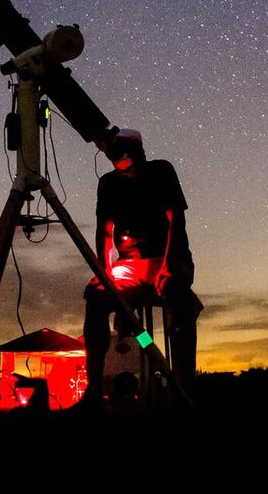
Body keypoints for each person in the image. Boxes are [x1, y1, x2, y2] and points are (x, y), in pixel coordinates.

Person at [80, 128, 201, 405]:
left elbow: (176, 223)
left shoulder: (162, 171)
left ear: (139, 152)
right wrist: (103, 271)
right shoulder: (109, 183)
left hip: (169, 255)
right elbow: (104, 231)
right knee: (96, 296)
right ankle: (94, 393)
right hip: (129, 264)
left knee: (177, 296)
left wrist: (169, 266)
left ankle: (183, 389)